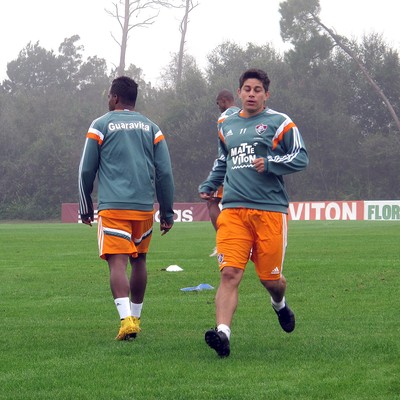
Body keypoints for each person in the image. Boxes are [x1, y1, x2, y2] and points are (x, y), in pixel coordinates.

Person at [198, 68, 309, 357]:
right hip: (233, 211)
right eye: (247, 89)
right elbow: (224, 158)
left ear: (266, 94)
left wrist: (271, 163)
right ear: (239, 92)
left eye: (257, 89)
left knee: (271, 280)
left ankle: (280, 305)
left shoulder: (280, 122)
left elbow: (301, 156)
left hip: (270, 211)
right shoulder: (226, 122)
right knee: (230, 274)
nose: (251, 94)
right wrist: (211, 183)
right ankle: (222, 334)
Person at [78, 76, 175, 341]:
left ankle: (125, 320)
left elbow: (86, 169)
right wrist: (167, 212)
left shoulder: (100, 125)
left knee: (117, 264)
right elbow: (165, 172)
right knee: (139, 261)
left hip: (113, 208)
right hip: (143, 209)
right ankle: (137, 317)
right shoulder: (152, 128)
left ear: (116, 98)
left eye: (109, 96)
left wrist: (85, 206)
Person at [207, 90, 240, 257]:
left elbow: (227, 144)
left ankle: (224, 241)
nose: (217, 106)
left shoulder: (224, 117)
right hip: (245, 164)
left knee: (212, 200)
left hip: (227, 164)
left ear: (224, 101)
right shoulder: (244, 113)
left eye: (218, 103)